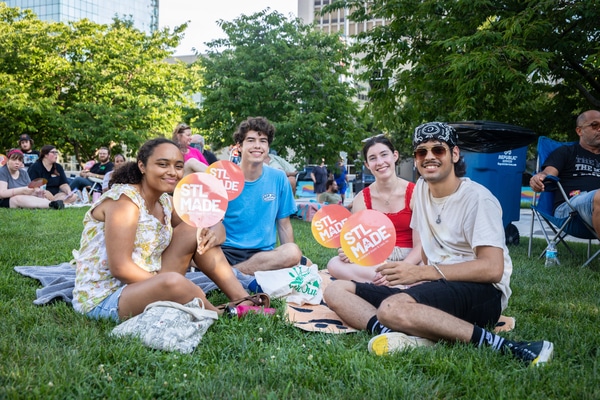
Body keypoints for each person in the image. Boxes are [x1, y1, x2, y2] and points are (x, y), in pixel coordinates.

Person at [324, 122, 554, 366]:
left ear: (454, 154)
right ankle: (397, 334)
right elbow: (428, 242)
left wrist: (419, 272)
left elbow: (492, 268)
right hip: (436, 284)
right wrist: (410, 272)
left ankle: (507, 347)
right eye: (422, 152)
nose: (429, 157)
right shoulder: (423, 189)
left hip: (482, 292)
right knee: (335, 290)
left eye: (438, 150)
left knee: (391, 308)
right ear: (414, 160)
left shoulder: (478, 199)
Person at [72, 138, 265, 322]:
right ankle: (219, 313)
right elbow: (120, 268)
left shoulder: (165, 201)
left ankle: (243, 299)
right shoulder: (125, 202)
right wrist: (181, 287)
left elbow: (213, 227)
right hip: (107, 297)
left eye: (178, 166)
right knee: (174, 282)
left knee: (194, 229)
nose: (172, 172)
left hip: (149, 281)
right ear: (142, 166)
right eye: (163, 164)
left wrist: (213, 230)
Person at [210, 117, 307, 281]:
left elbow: (284, 226)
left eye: (263, 141)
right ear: (239, 146)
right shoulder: (223, 177)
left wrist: (291, 264)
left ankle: (229, 274)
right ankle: (236, 273)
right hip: (225, 250)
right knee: (190, 248)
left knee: (293, 252)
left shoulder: (279, 178)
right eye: (251, 140)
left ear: (268, 147)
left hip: (263, 254)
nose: (257, 146)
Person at [327, 136, 422, 283]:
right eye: (373, 158)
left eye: (384, 155)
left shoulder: (415, 193)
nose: (380, 162)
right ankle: (395, 284)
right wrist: (350, 252)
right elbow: (359, 243)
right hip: (378, 261)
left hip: (411, 259)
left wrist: (402, 270)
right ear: (367, 164)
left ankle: (391, 283)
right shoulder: (362, 199)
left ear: (395, 156)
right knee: (334, 264)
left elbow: (421, 246)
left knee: (431, 265)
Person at [530, 109, 600, 234]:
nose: (599, 129)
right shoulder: (566, 152)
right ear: (579, 131)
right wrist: (539, 178)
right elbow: (548, 173)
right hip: (569, 208)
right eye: (594, 125)